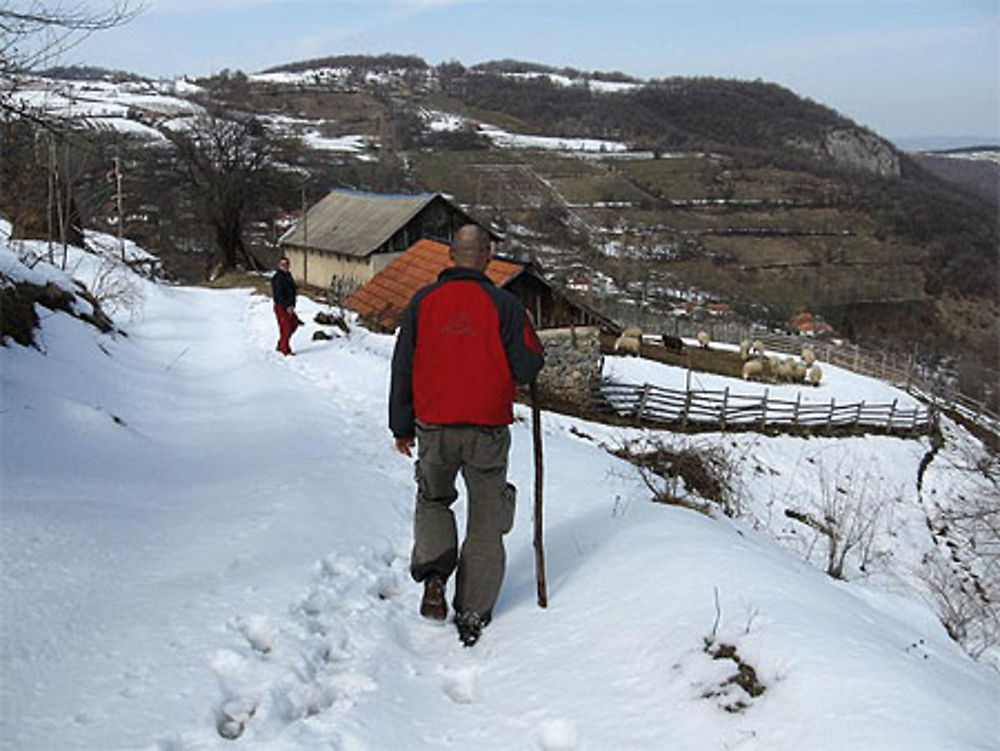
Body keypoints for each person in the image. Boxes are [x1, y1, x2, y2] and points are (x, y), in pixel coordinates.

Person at [389, 225, 545, 647]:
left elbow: (402, 365)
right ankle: (473, 610)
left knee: (435, 499)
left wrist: (401, 427)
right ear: (488, 257)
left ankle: (436, 577)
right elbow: (529, 367)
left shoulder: (424, 302)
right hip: (487, 431)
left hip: (434, 428)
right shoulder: (506, 307)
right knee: (485, 518)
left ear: (452, 256)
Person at [270, 255, 299, 355]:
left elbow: (292, 290)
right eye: (282, 264)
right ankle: (285, 350)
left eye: (286, 264)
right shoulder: (278, 278)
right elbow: (278, 295)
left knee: (294, 324)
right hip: (281, 307)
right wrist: (287, 306)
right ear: (279, 265)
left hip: (289, 306)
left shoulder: (288, 275)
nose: (285, 266)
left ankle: (281, 343)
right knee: (285, 328)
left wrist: (292, 304)